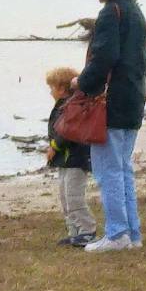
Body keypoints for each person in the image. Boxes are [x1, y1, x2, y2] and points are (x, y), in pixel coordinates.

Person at [77, 0, 146, 252]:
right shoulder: (135, 11)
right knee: (123, 169)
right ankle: (132, 233)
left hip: (112, 102)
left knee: (108, 170)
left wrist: (81, 83)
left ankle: (117, 233)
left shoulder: (110, 13)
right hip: (133, 97)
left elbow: (104, 57)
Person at [44, 66, 97, 247]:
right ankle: (74, 230)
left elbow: (67, 131)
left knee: (74, 196)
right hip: (65, 160)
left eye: (51, 88)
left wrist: (54, 147)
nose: (50, 92)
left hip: (75, 159)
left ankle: (87, 230)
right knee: (64, 196)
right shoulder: (62, 106)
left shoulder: (71, 106)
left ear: (61, 88)